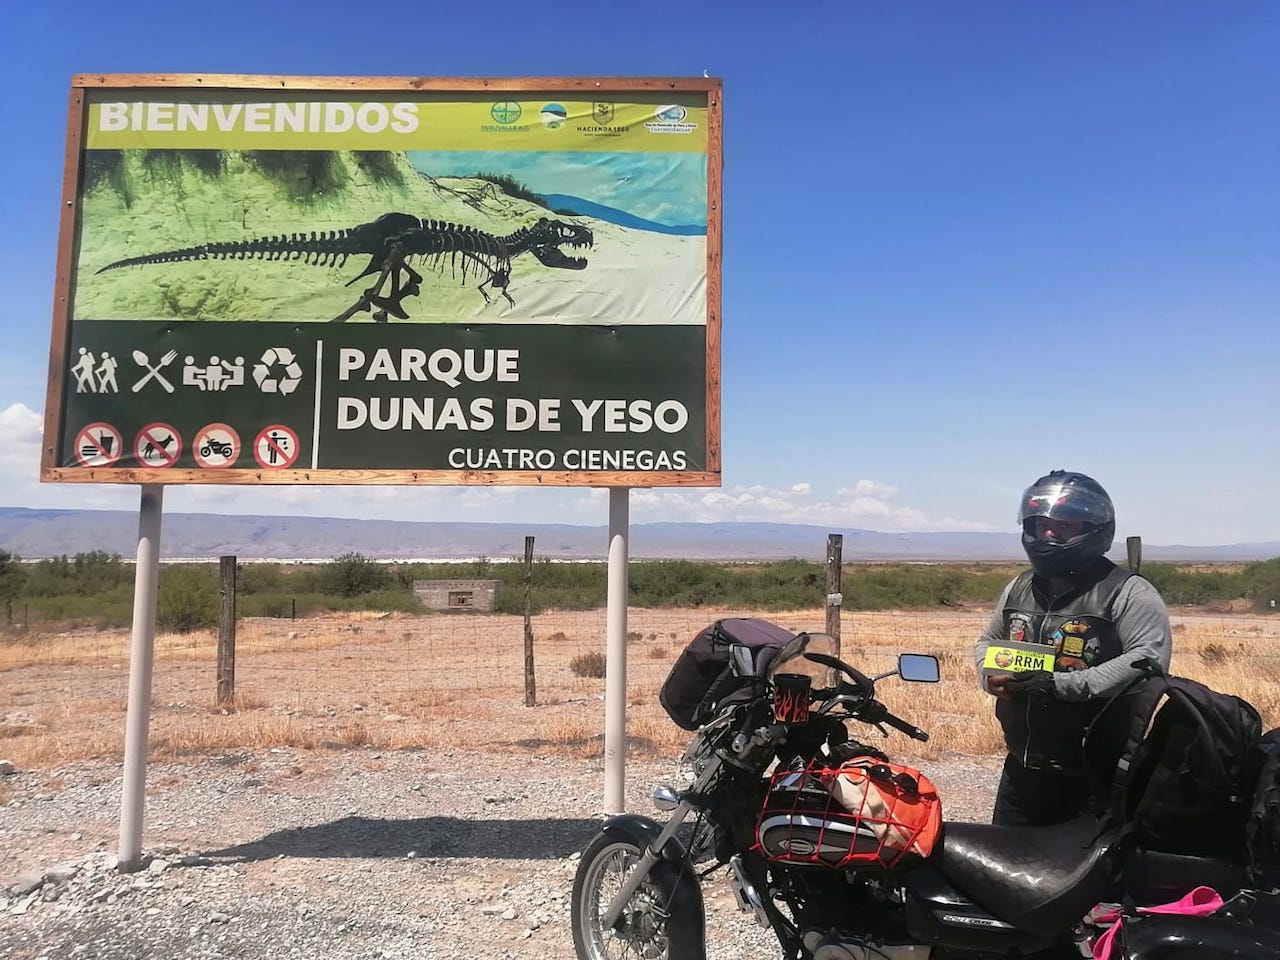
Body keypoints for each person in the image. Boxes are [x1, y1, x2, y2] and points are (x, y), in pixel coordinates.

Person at [974, 470, 1172, 827]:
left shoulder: (1127, 592)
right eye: (1040, 524)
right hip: (1022, 769)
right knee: (1002, 874)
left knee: (1084, 880)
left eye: (1063, 526)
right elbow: (988, 641)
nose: (1048, 534)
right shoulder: (1018, 588)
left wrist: (1061, 685)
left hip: (1096, 776)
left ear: (1096, 529)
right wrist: (988, 675)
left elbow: (1148, 660)